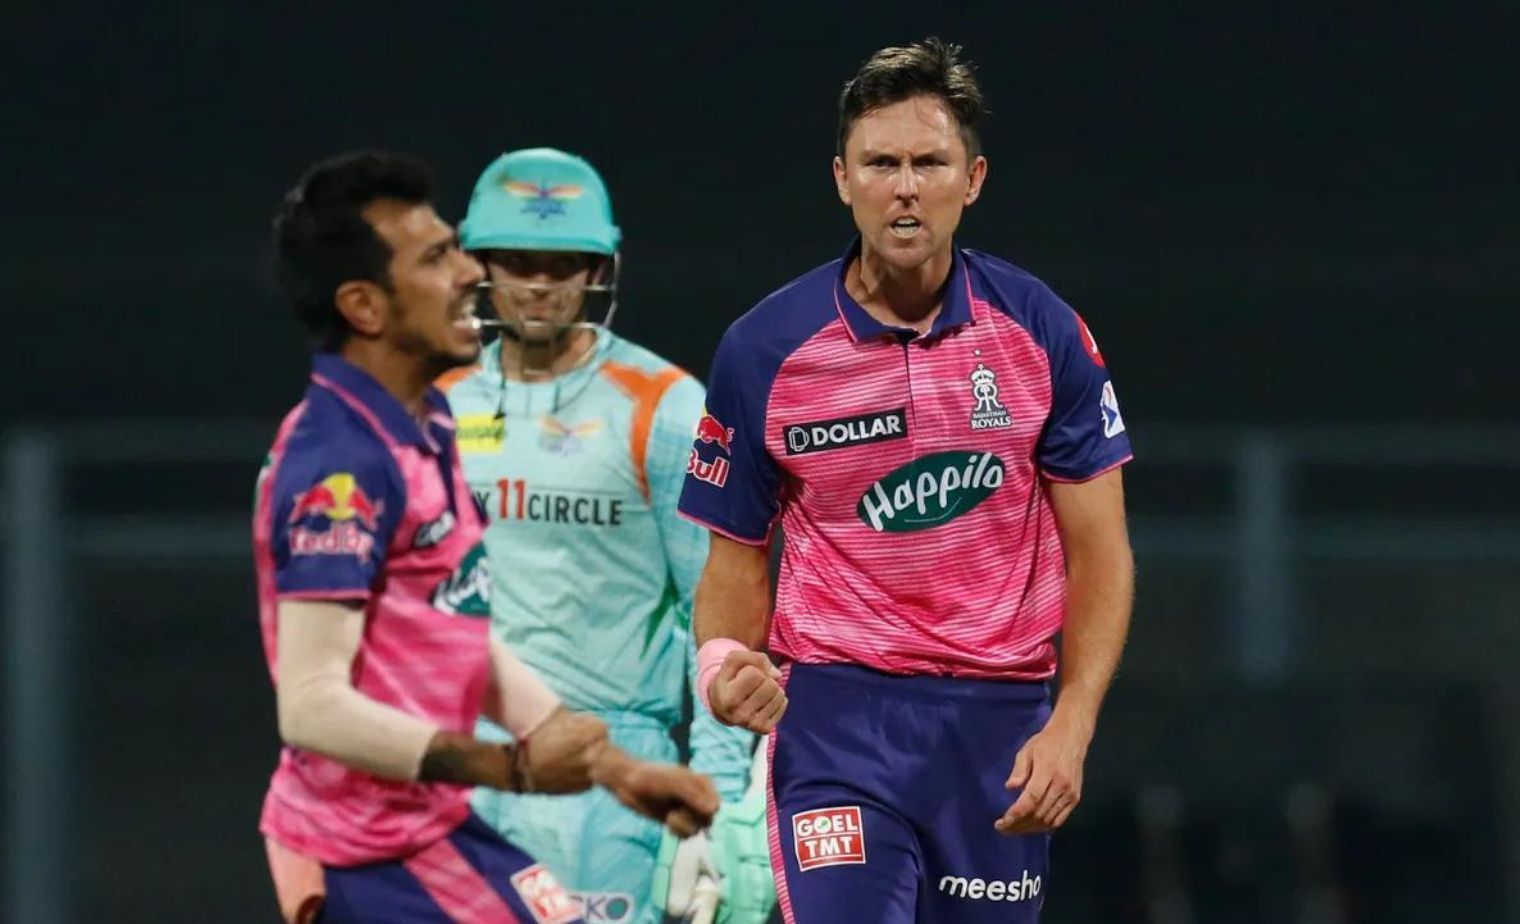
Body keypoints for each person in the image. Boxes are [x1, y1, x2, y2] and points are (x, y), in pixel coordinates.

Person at [679, 38, 1136, 922]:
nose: (905, 186)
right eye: (881, 163)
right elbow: (734, 554)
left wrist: (1072, 725)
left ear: (973, 180)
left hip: (1000, 724)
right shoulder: (764, 349)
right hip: (836, 719)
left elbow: (1102, 552)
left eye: (930, 163)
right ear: (842, 178)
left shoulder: (1041, 332)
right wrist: (724, 666)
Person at [257, 150, 719, 924]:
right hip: (370, 843)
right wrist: (512, 769)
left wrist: (613, 766)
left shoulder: (425, 427)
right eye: (441, 259)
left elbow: (459, 628)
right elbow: (308, 707)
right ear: (366, 307)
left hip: (444, 819)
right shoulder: (338, 465)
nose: (472, 276)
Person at [438, 147, 773, 924]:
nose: (541, 282)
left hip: (613, 773)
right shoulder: (435, 407)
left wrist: (716, 799)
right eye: (519, 260)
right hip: (471, 761)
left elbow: (714, 613)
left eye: (566, 262)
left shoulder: (665, 408)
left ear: (599, 270)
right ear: (480, 262)